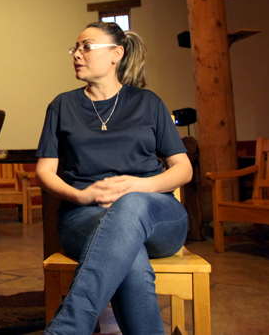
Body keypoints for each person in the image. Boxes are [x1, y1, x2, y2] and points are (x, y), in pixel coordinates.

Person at [36, 22, 193, 335]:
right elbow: (44, 171)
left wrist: (139, 186)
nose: (77, 54)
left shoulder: (149, 103)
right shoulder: (63, 105)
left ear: (116, 54)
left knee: (131, 206)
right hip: (83, 216)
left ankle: (67, 328)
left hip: (157, 216)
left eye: (87, 46)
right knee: (128, 253)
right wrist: (80, 196)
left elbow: (183, 169)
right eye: (75, 48)